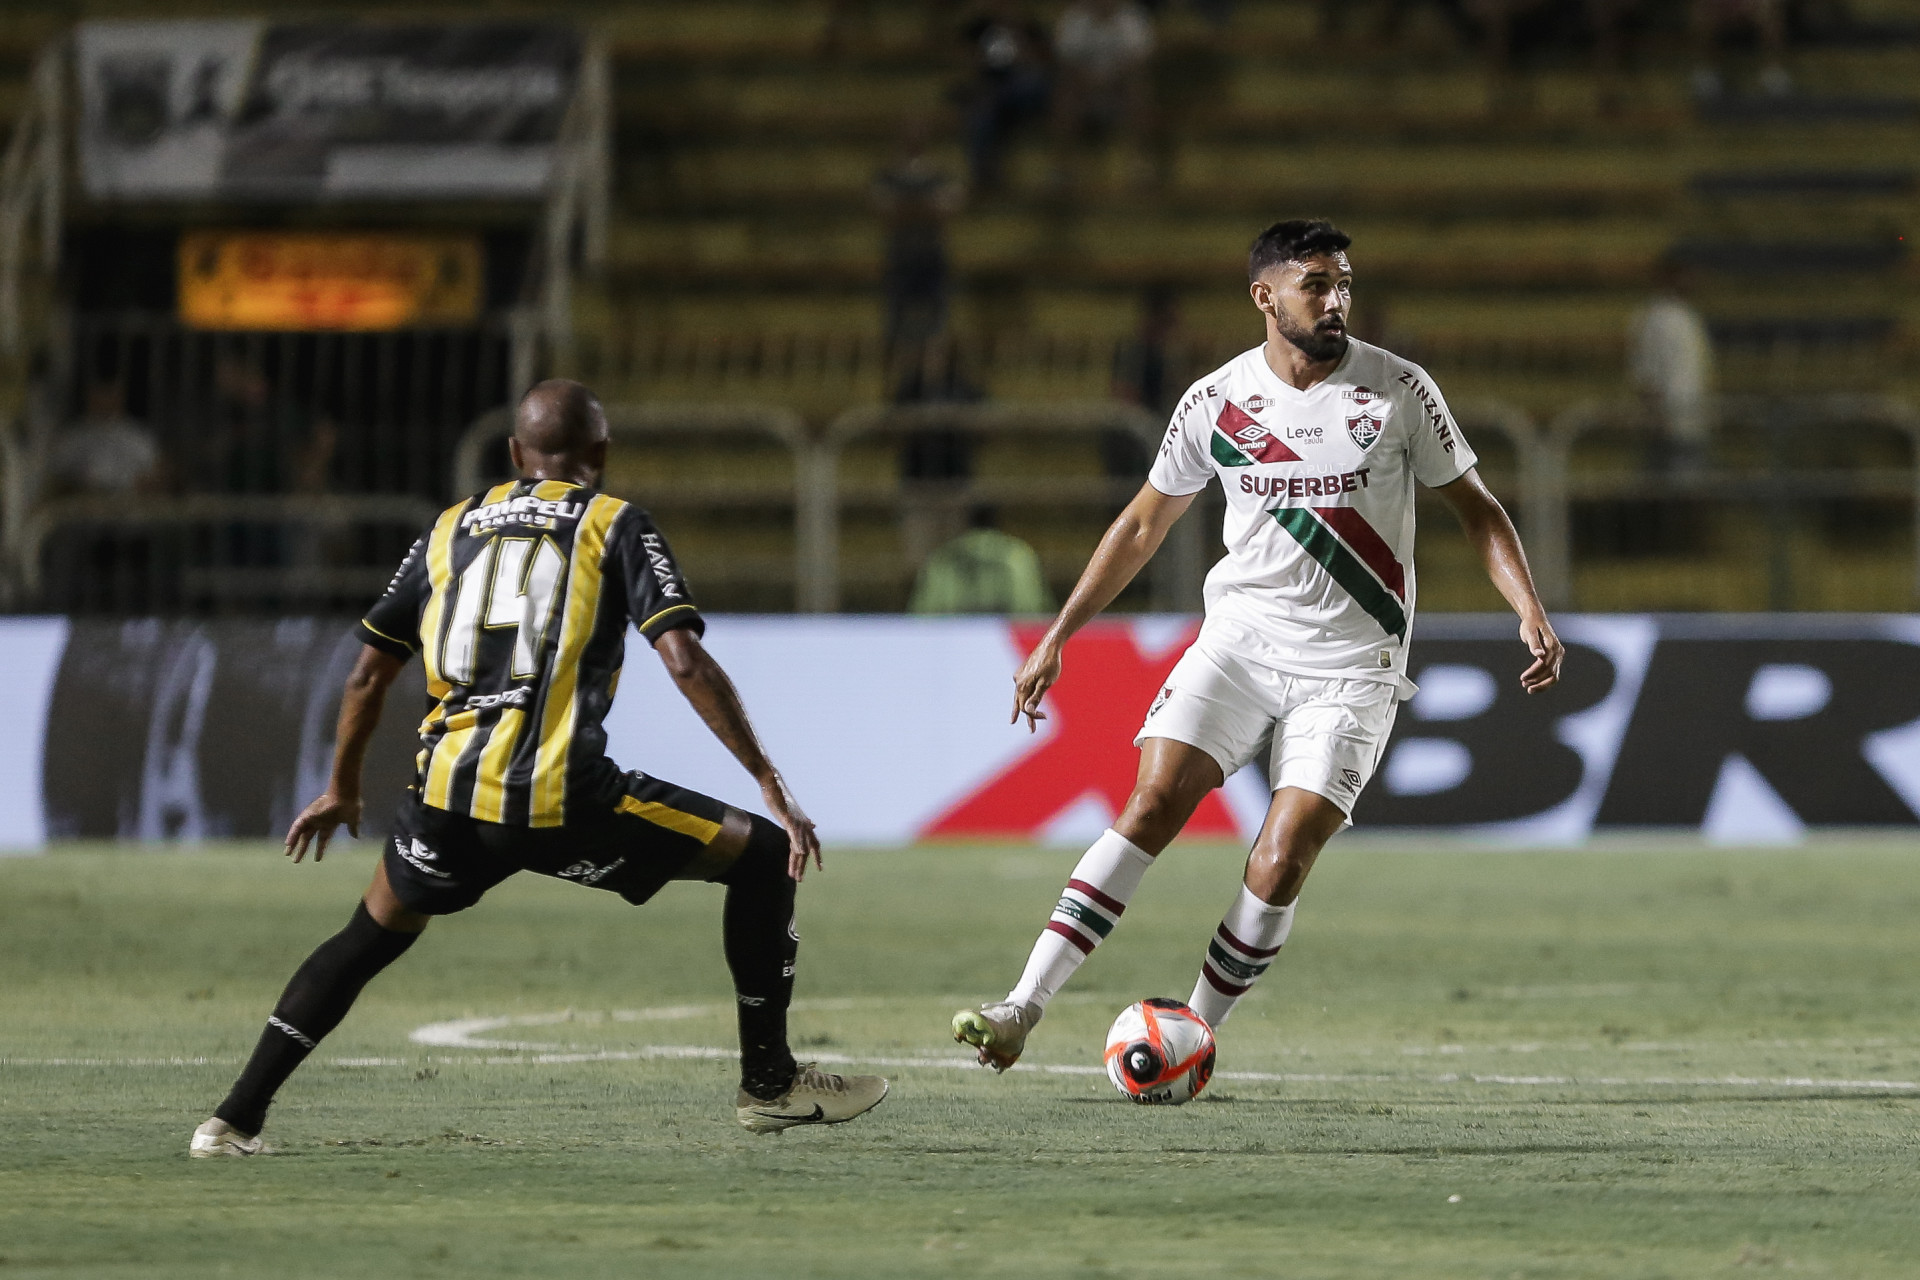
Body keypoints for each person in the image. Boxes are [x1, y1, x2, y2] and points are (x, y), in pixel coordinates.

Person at [188, 380, 888, 1156]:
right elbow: (683, 659)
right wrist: (769, 778)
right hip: (560, 800)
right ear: (602, 454)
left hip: (445, 797)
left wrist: (341, 787)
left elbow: (366, 674)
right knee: (760, 856)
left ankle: (233, 1119)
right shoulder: (615, 523)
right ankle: (770, 1083)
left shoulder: (448, 528)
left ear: (517, 455)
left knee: (369, 934)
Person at [951, 220, 1564, 1069]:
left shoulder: (1397, 391)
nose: (1337, 299)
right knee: (1152, 803)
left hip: (1352, 669)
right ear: (1264, 296)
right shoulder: (1216, 401)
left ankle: (1193, 1035)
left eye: (1344, 282)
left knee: (1280, 856)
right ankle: (1021, 1006)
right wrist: (1058, 635)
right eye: (1317, 283)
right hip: (1238, 644)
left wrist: (1528, 607)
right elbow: (1141, 523)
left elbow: (1478, 508)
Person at [873, 118, 963, 363]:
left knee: (937, 325)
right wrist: (925, 208)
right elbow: (886, 211)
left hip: (931, 255)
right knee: (895, 325)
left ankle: (932, 380)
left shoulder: (938, 173)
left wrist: (908, 208)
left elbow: (947, 208)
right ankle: (897, 382)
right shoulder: (889, 173)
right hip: (902, 255)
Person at [1051, 0, 1156, 186]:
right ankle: (1063, 167)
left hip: (1118, 89)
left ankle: (1139, 164)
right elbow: (1067, 63)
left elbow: (1139, 61)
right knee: (1065, 92)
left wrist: (1109, 79)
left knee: (1138, 89)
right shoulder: (1075, 18)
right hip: (1084, 90)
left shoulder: (1131, 18)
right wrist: (1090, 81)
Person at [1627, 256, 1715, 470]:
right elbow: (1646, 374)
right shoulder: (1652, 318)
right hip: (1668, 422)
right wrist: (1655, 417)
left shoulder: (1687, 316)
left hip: (1693, 418)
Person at [909, 504, 1054, 615]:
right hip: (1006, 633)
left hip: (951, 635)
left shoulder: (943, 556)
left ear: (967, 523)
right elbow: (1033, 609)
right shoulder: (1019, 554)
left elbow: (924, 613)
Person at [44, 377, 163, 498]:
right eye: (100, 393)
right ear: (90, 396)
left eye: (110, 393)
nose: (105, 400)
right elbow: (55, 472)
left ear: (120, 396)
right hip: (83, 505)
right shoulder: (73, 436)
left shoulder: (138, 437)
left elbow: (154, 472)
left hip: (128, 504)